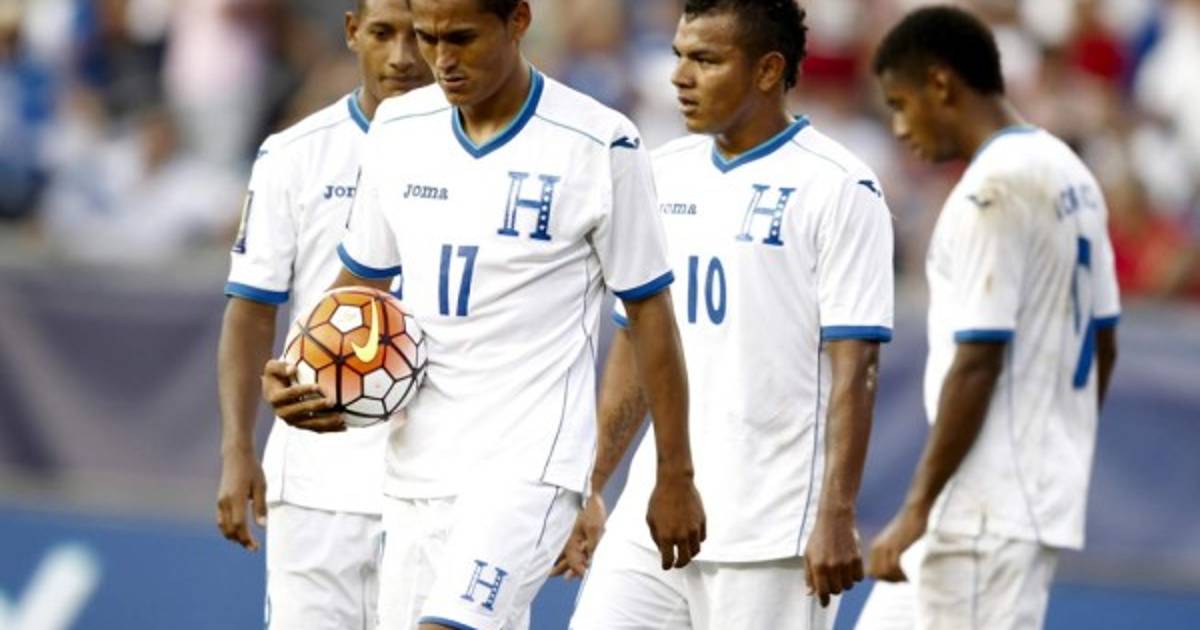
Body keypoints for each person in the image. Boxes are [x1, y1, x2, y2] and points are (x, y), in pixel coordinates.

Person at [260, 1, 707, 628]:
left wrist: (674, 473)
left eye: (462, 38)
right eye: (428, 38)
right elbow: (359, 284)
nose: (441, 59)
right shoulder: (399, 128)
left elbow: (650, 314)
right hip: (415, 466)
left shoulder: (599, 141)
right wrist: (297, 366)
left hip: (529, 469)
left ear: (518, 21)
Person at [566, 1, 895, 628]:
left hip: (772, 530)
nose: (680, 76)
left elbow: (857, 370)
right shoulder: (659, 174)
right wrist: (594, 485)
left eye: (706, 60)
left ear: (768, 70)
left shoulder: (839, 187)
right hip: (656, 510)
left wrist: (837, 513)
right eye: (679, 56)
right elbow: (636, 346)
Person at [857, 6, 1120, 630]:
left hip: (984, 506)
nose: (899, 128)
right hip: (1001, 495)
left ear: (941, 84)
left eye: (901, 104)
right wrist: (1056, 441)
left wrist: (916, 506)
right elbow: (1105, 339)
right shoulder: (1071, 173)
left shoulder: (989, 194)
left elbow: (979, 359)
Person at [215, 1, 432, 627]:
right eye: (383, 33)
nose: (403, 57)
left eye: (419, 37)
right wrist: (237, 447)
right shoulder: (294, 153)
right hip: (318, 478)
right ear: (352, 31)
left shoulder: (482, 153)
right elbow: (252, 307)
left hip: (437, 478)